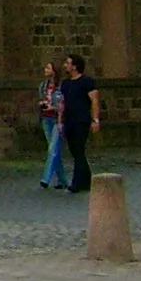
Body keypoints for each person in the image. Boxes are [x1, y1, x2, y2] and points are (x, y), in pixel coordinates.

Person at [61, 54, 101, 194]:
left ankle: (76, 183)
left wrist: (95, 120)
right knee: (75, 151)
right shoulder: (65, 84)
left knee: (79, 149)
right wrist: (60, 121)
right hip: (69, 120)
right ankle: (87, 179)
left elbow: (94, 100)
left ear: (75, 66)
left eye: (68, 63)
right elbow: (62, 103)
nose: (65, 65)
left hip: (82, 120)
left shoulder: (87, 82)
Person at [36, 62, 67, 190]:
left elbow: (64, 105)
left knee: (52, 150)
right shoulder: (43, 85)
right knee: (54, 151)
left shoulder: (62, 86)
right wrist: (42, 103)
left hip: (57, 120)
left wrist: (53, 107)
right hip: (46, 118)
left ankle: (45, 178)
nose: (45, 69)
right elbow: (43, 98)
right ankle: (63, 180)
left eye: (48, 68)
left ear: (54, 70)